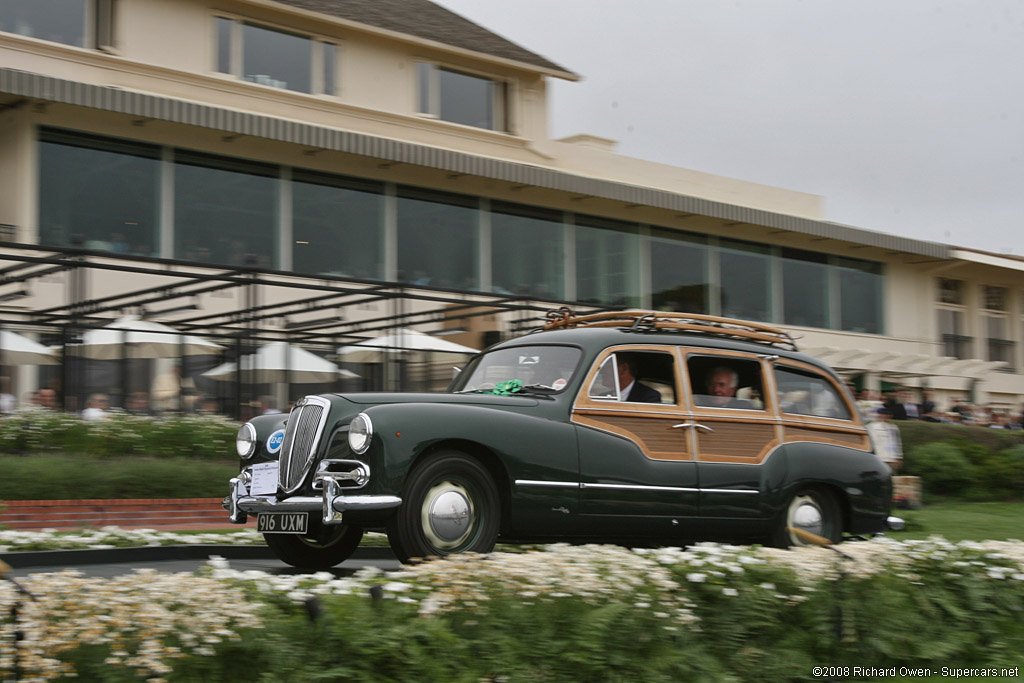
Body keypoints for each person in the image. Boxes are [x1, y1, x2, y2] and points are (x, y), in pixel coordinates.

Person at [867, 407, 903, 472]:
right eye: (884, 414)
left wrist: (899, 457)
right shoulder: (871, 426)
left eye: (888, 415)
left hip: (892, 458)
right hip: (879, 457)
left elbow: (897, 443)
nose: (886, 416)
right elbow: (871, 443)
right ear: (879, 415)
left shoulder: (894, 427)